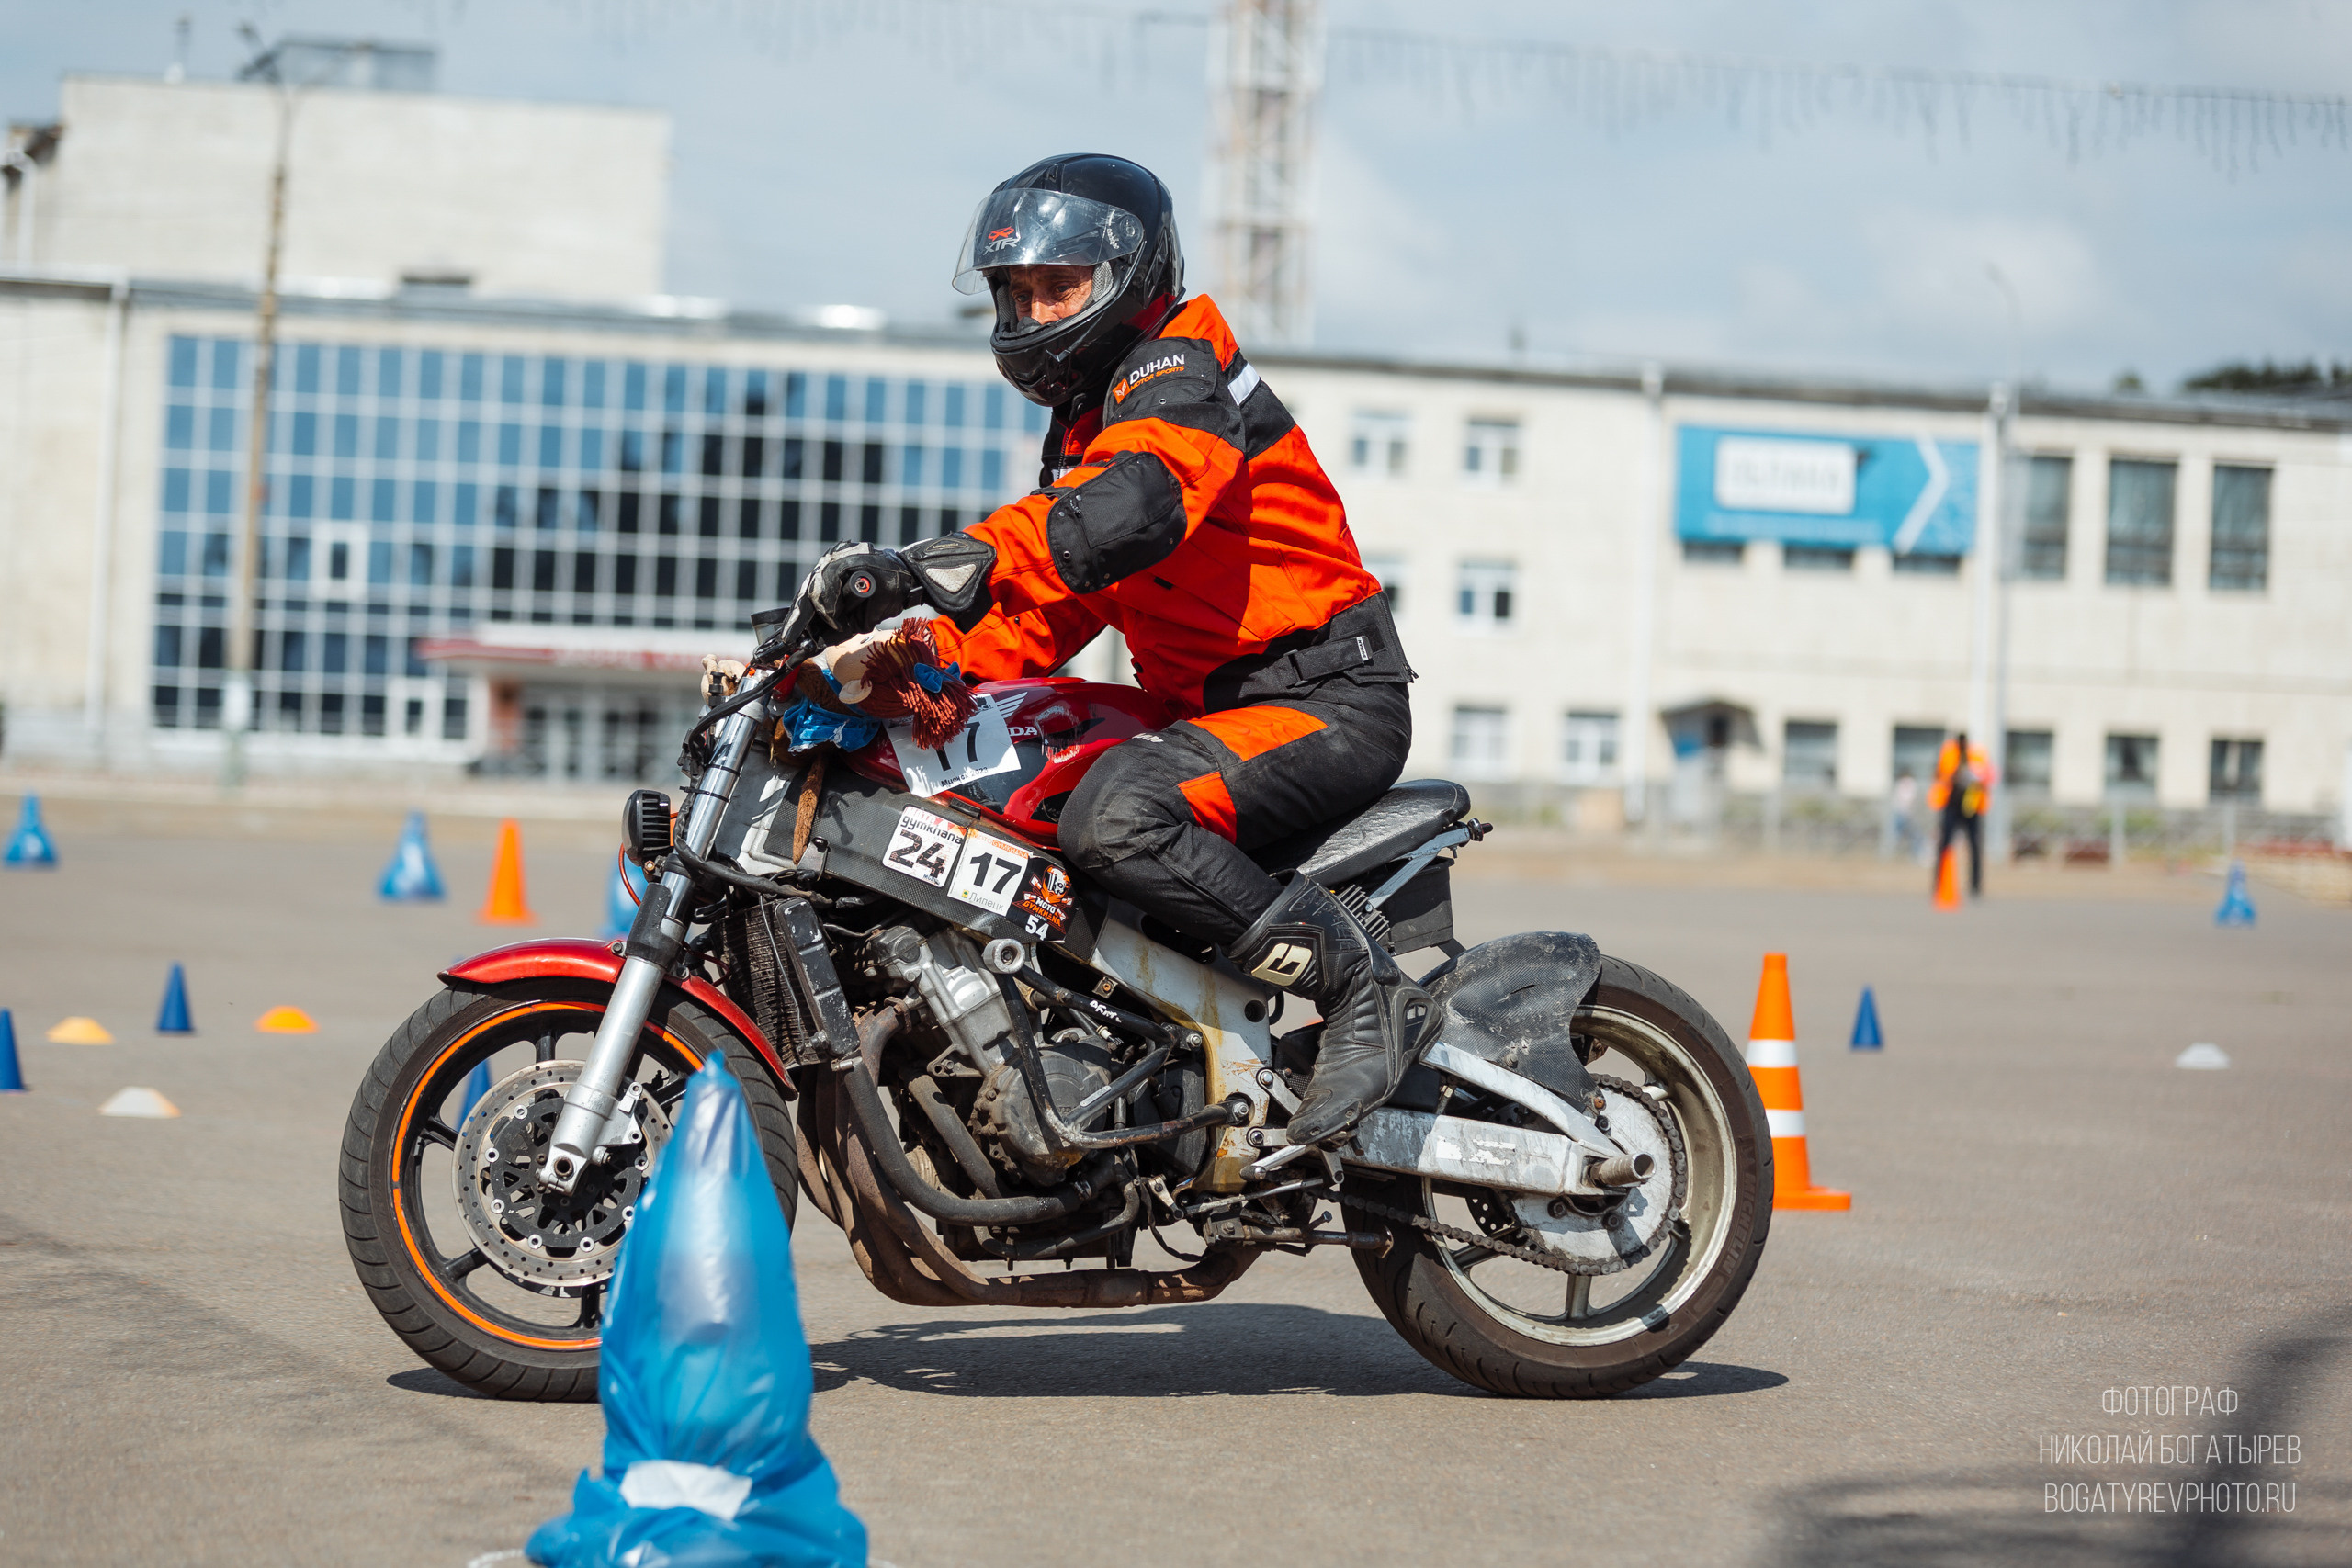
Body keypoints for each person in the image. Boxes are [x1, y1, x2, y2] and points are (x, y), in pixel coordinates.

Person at [785, 154, 1427, 1148]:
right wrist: (896, 666)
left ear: (1129, 277)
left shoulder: (1179, 367)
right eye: (1019, 293)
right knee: (1008, 815)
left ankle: (1361, 989)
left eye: (1060, 288)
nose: (1037, 314)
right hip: (1210, 716)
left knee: (1116, 818)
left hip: (1322, 701)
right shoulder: (1087, 427)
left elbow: (1139, 505)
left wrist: (942, 562)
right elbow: (1045, 614)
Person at [1928, 731, 1996, 897]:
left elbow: (1988, 777)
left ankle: (1975, 886)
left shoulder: (1977, 755)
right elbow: (1939, 774)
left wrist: (1975, 778)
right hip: (1951, 804)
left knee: (1974, 846)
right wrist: (1953, 777)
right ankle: (1939, 883)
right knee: (1944, 845)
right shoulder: (1948, 754)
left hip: (1971, 805)